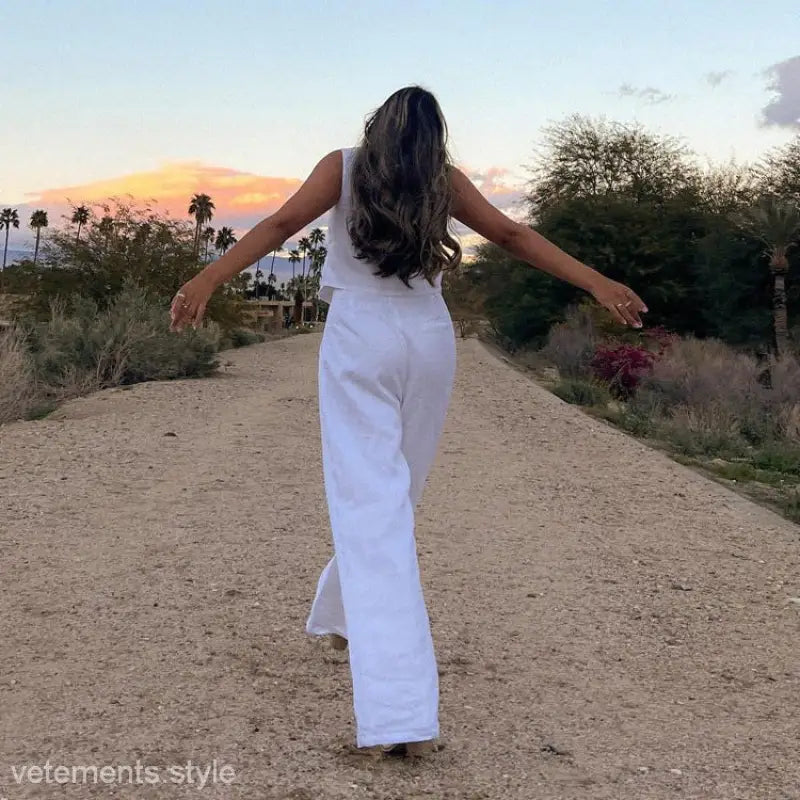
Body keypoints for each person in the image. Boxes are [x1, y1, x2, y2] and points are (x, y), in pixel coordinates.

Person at [170, 85, 646, 758]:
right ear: (434, 136)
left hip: (361, 335)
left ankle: (399, 715)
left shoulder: (342, 165)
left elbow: (279, 227)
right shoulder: (442, 180)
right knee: (394, 498)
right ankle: (342, 619)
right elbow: (511, 235)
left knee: (373, 506)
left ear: (377, 125)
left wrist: (206, 279)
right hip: (427, 338)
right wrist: (596, 281)